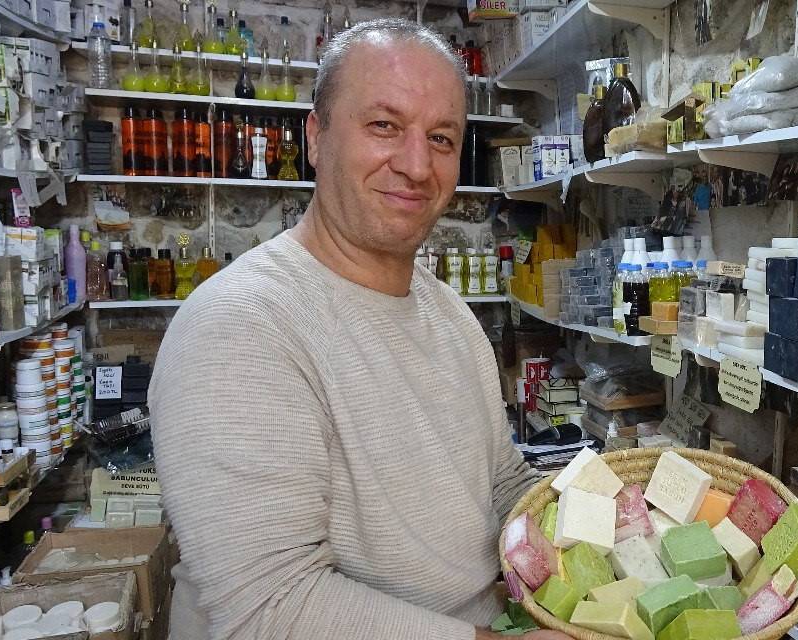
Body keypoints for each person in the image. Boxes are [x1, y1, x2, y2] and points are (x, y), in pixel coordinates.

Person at [149, 19, 569, 640]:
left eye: (442, 138)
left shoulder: (449, 312)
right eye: (384, 126)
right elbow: (272, 609)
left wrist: (618, 513)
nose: (418, 165)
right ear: (316, 138)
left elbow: (504, 486)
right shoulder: (240, 327)